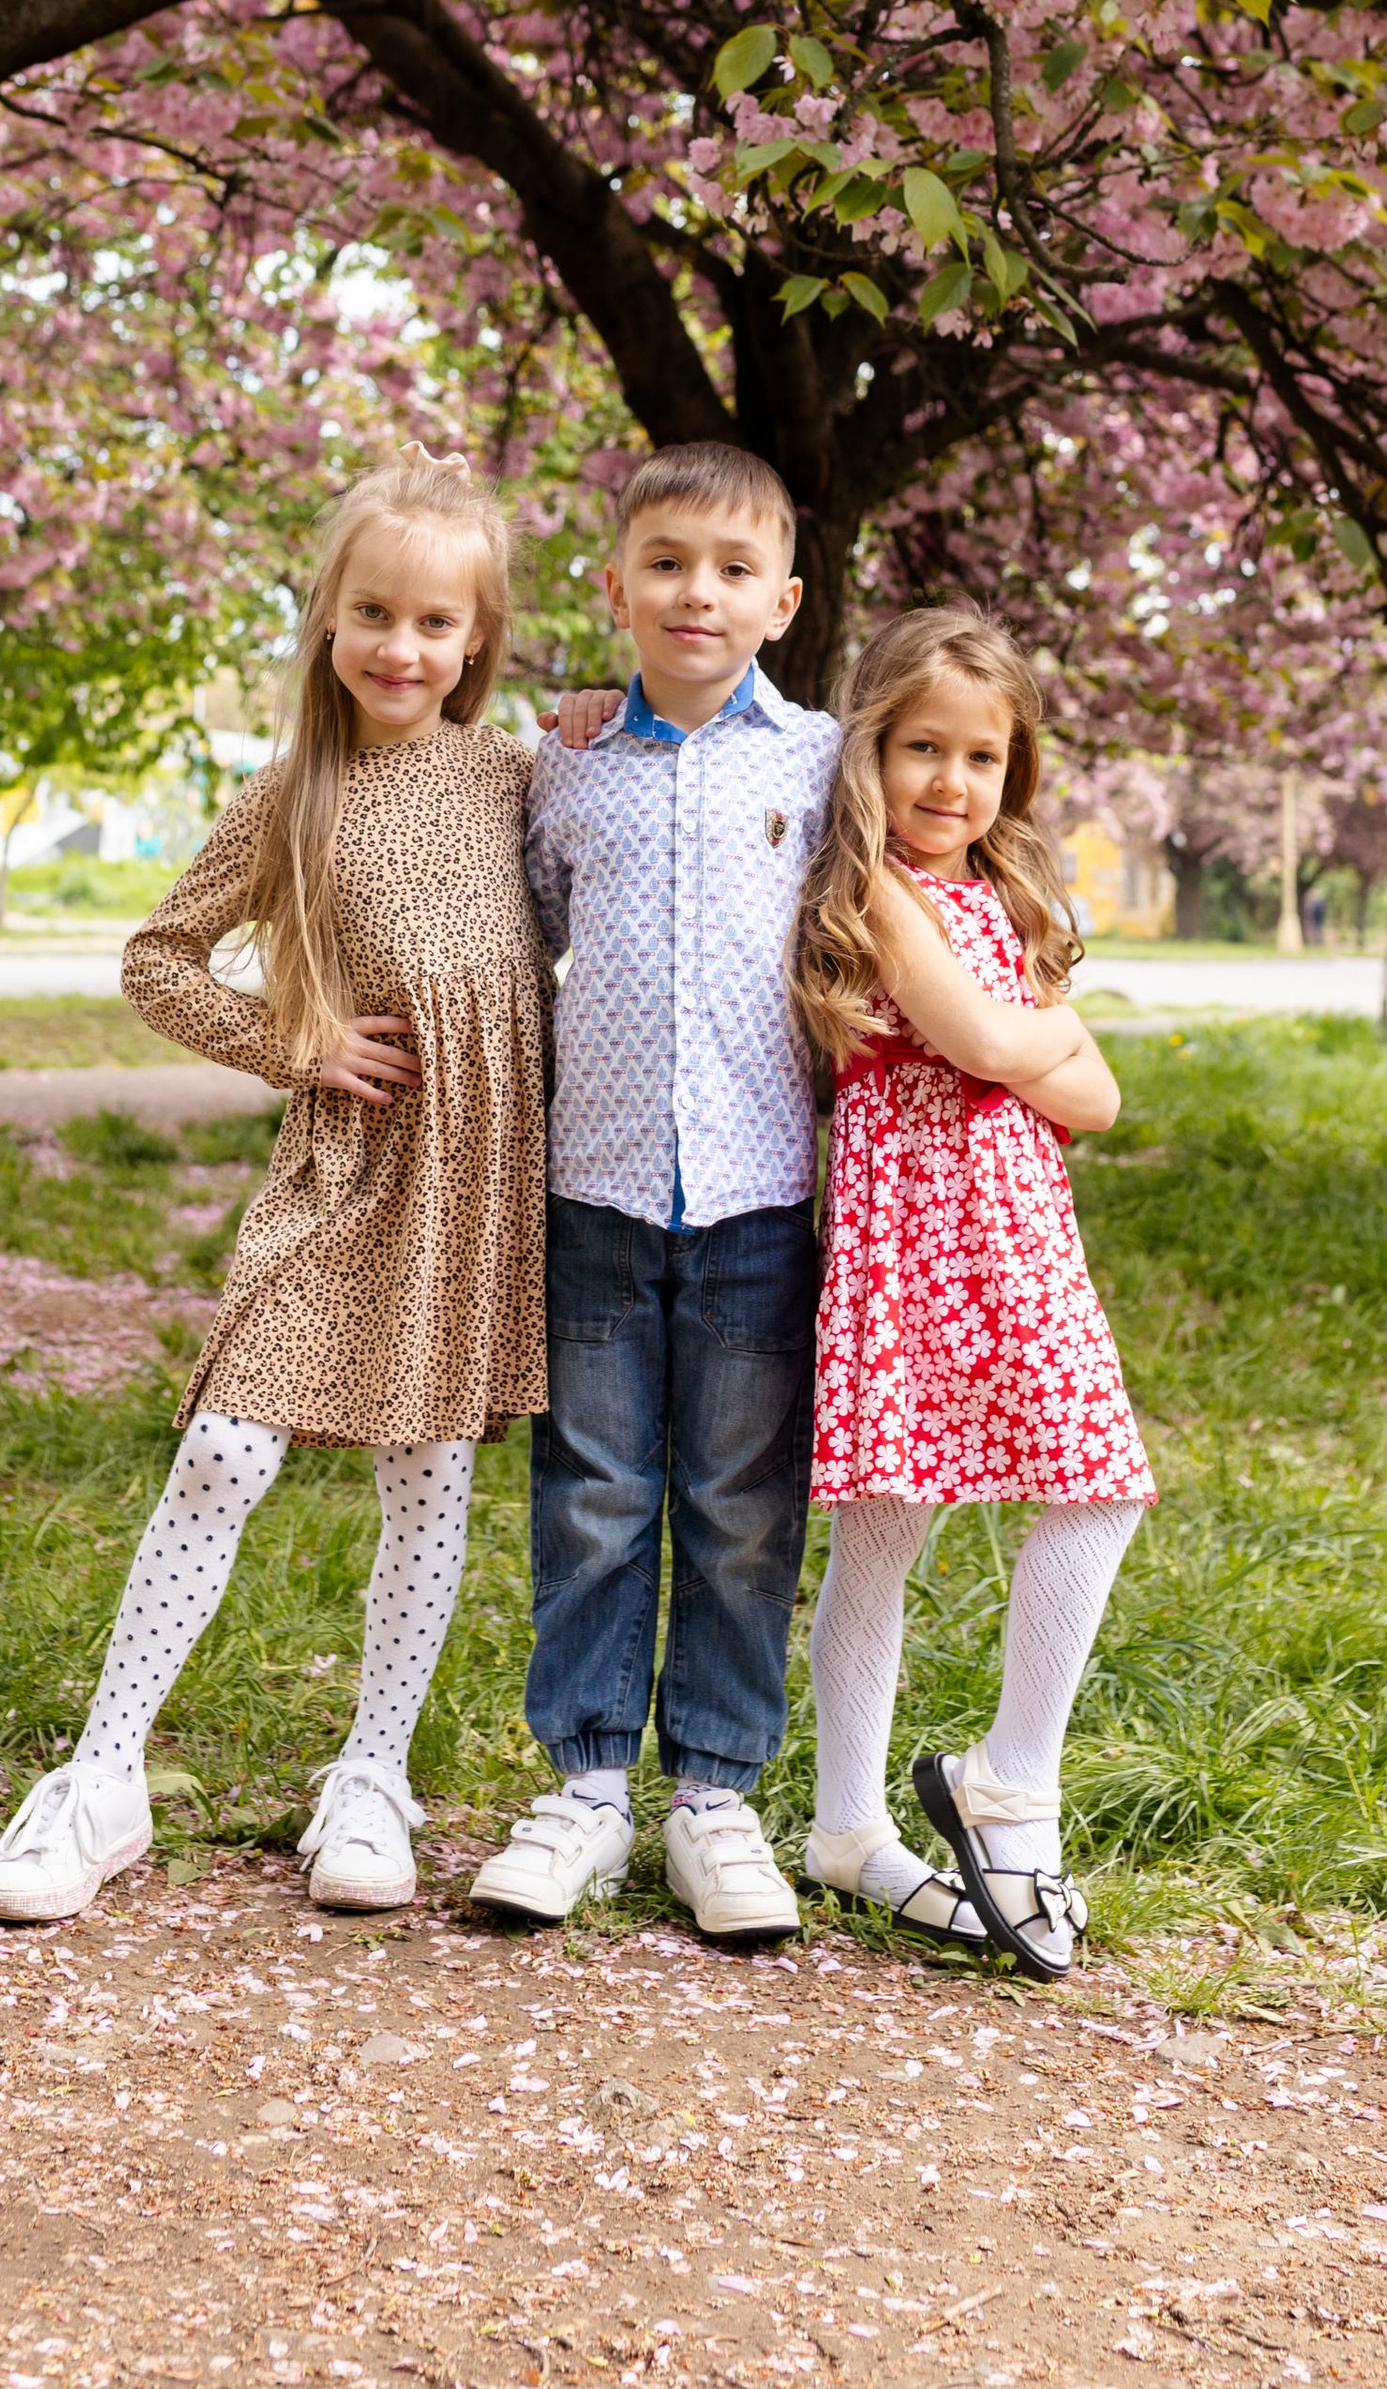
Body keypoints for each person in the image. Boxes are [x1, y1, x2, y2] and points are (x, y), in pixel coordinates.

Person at [0, 453, 549, 1928]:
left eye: (435, 622)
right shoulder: (291, 793)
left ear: (477, 639)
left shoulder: (517, 779)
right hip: (345, 1168)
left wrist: (611, 728)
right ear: (329, 618)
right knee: (227, 1449)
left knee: (427, 1473)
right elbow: (158, 959)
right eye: (375, 613)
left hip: (477, 1181)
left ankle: (374, 1773)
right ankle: (105, 1773)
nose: (401, 646)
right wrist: (294, 1039)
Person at [468, 443, 841, 1946]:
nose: (700, 593)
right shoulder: (560, 764)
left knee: (743, 1505)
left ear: (782, 603)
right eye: (668, 564)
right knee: (595, 1495)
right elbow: (527, 931)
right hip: (599, 1189)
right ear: (616, 587)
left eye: (736, 570)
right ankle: (586, 1787)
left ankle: (716, 1797)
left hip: (760, 1195)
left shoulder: (823, 765)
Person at [794, 603, 1151, 1980]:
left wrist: (1024, 1040)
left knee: (1095, 1485)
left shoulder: (1000, 898)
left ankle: (1006, 1774)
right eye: (922, 749)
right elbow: (996, 1045)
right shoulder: (877, 891)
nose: (951, 781)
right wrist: (1036, 1038)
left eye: (983, 757)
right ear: (870, 752)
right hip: (925, 1229)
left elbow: (1099, 1103)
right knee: (890, 1523)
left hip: (1011, 1226)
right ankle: (861, 1820)